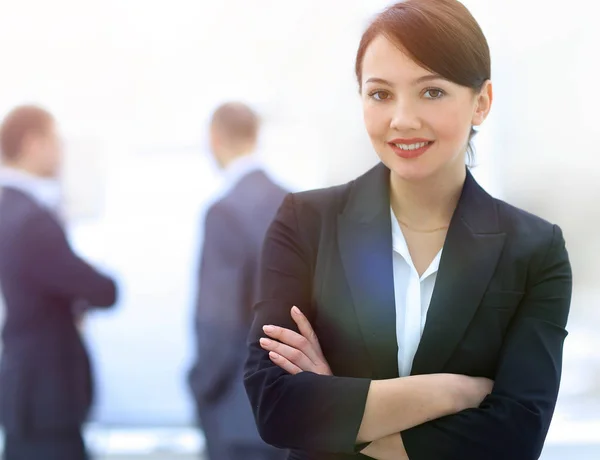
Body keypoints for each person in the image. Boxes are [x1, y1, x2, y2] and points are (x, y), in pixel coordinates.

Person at [244, 1, 572, 459]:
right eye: (380, 94)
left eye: (432, 92)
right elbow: (276, 407)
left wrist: (340, 411)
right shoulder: (304, 223)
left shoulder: (535, 250)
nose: (402, 119)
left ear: (481, 103)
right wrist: (455, 393)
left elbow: (516, 435)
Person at [0, 105, 118, 460]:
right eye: (56, 141)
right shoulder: (31, 218)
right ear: (33, 143)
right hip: (46, 393)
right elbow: (102, 289)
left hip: (28, 388)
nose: (61, 151)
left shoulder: (10, 207)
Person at [188, 102, 288, 460]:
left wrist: (199, 385)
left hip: (238, 410)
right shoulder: (298, 204)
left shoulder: (224, 213)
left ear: (214, 139)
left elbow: (219, 321)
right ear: (255, 134)